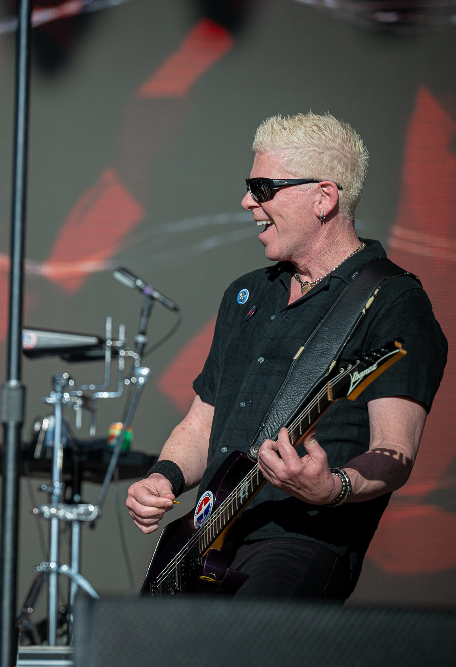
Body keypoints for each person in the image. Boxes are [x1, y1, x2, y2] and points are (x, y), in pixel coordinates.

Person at [126, 112, 447, 601]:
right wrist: (161, 477)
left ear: (324, 196)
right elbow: (200, 424)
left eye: (263, 186)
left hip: (300, 541)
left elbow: (395, 452)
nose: (247, 200)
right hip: (205, 543)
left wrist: (333, 487)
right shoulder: (246, 294)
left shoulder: (391, 300)